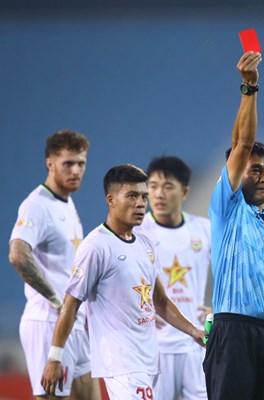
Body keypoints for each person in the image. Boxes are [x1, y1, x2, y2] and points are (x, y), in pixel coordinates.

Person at [40, 164, 205, 399]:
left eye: (143, 197)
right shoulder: (96, 246)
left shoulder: (145, 244)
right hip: (121, 364)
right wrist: (55, 358)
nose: (141, 203)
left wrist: (194, 331)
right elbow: (71, 303)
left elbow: (160, 301)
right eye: (132, 196)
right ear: (111, 200)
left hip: (148, 360)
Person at [203, 51, 264, 400]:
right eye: (255, 169)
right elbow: (242, 144)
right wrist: (249, 87)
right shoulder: (228, 208)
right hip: (233, 334)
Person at [8, 130, 101, 400]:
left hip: (72, 323)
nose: (76, 171)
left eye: (81, 163)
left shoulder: (67, 203)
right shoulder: (37, 205)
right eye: (68, 164)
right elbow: (18, 254)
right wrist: (55, 300)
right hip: (48, 323)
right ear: (50, 163)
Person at [136, 156, 212, 400]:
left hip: (196, 345)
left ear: (185, 192)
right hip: (155, 348)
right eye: (153, 186)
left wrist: (219, 308)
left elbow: (230, 274)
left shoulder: (204, 230)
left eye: (167, 186)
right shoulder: (137, 233)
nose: (159, 194)